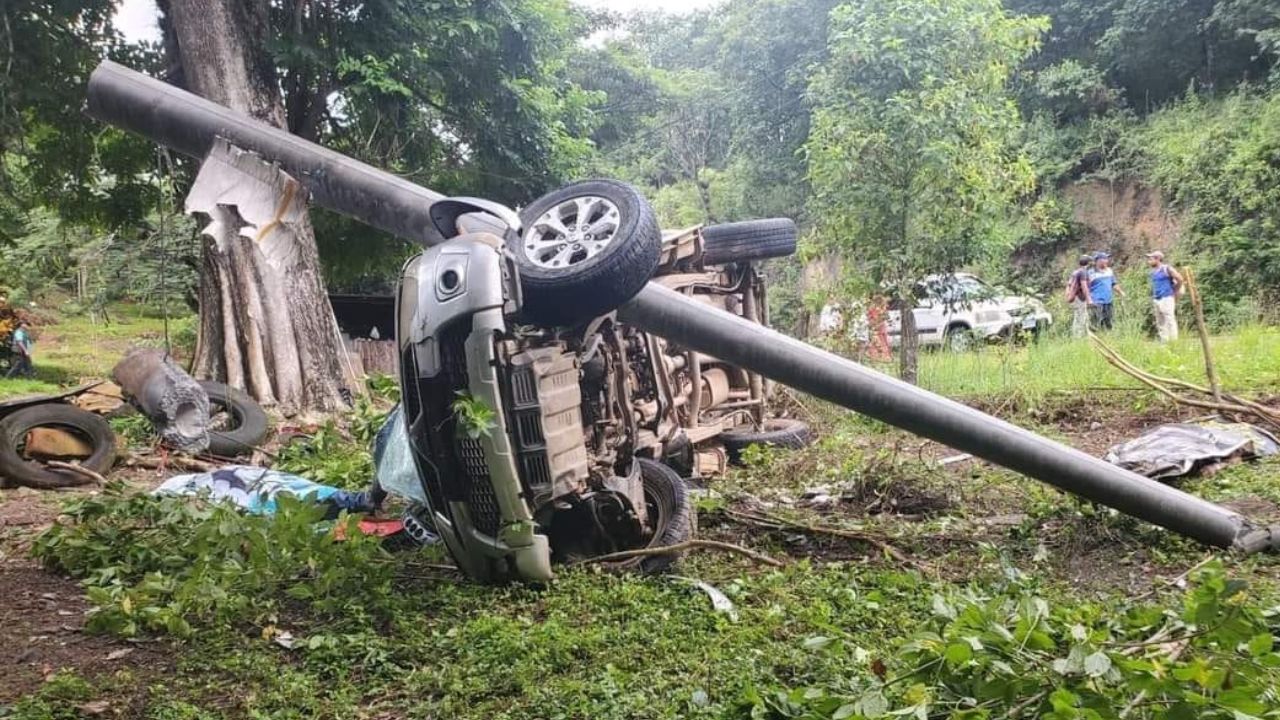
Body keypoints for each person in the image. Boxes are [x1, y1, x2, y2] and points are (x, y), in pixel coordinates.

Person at [1146, 250, 1184, 342]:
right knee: (1160, 322)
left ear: (1158, 259)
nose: (1149, 261)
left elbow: (1180, 279)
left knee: (1170, 319)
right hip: (1157, 298)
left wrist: (1175, 290)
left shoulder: (1166, 269)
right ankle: (1164, 341)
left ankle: (1174, 341)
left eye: (1151, 259)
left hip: (1167, 298)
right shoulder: (1153, 272)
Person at [1087, 252, 1123, 331]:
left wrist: (1121, 293)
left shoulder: (1109, 271)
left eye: (1107, 259)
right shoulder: (1090, 273)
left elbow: (1114, 284)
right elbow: (1086, 288)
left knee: (1109, 323)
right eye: (1104, 259)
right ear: (1098, 261)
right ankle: (1094, 340)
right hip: (1096, 302)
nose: (1107, 261)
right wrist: (1088, 300)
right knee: (1095, 324)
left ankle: (1107, 338)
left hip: (1108, 301)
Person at [1064, 254, 1093, 338]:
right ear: (1088, 263)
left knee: (1078, 317)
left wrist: (1068, 295)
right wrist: (1089, 299)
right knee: (1081, 317)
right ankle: (1079, 337)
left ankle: (1079, 336)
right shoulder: (1083, 272)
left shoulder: (1076, 272)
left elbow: (1069, 284)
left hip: (1074, 298)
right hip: (1080, 298)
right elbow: (1084, 286)